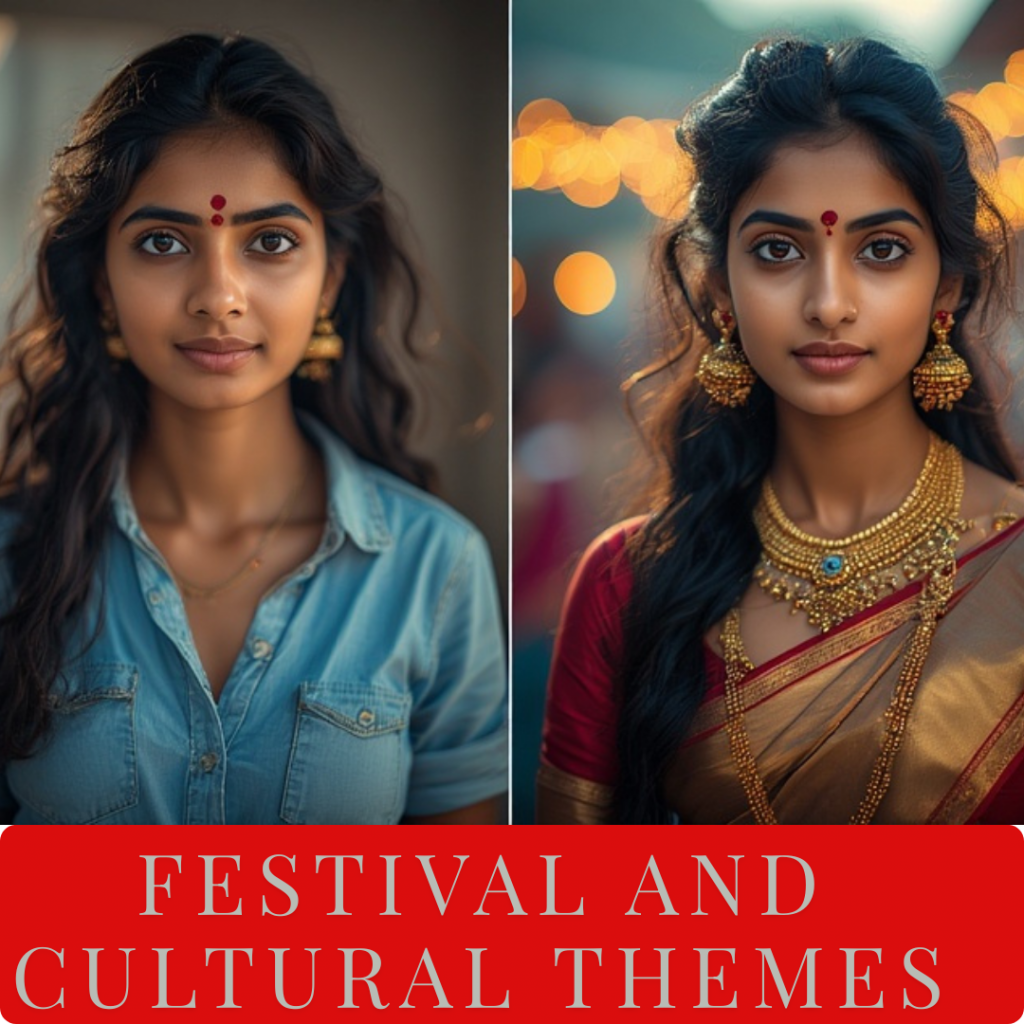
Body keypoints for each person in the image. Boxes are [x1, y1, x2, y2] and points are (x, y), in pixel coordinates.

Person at [0, 33, 507, 824]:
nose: (219, 295)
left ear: (330, 278)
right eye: (163, 243)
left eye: (270, 242)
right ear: (102, 281)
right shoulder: (15, 558)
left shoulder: (432, 568)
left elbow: (462, 892)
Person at [538, 37, 1024, 825]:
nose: (828, 303)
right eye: (777, 250)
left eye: (882, 250)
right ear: (718, 289)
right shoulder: (628, 586)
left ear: (947, 287)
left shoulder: (1014, 568)